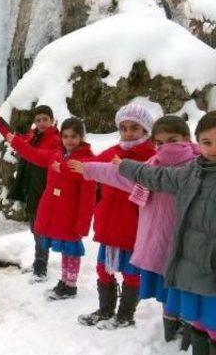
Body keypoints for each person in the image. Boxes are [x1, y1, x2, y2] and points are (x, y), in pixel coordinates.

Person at [116, 110, 216, 354]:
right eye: (207, 142)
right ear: (197, 142)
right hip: (189, 268)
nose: (214, 148)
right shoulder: (194, 170)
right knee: (197, 321)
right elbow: (159, 176)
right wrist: (125, 166)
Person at [69, 116, 199, 340]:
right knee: (110, 270)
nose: (166, 147)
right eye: (161, 143)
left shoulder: (193, 167)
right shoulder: (153, 164)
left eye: (173, 140)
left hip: (157, 235)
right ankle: (117, 313)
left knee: (171, 285)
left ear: (186, 139)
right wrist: (88, 168)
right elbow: (115, 174)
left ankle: (171, 327)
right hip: (123, 228)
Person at [77, 103, 156, 329]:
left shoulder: (151, 156)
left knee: (131, 273)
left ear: (145, 130)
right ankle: (105, 310)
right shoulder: (113, 151)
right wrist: (66, 163)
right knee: (103, 268)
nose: (128, 133)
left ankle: (125, 315)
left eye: (134, 128)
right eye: (123, 128)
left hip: (133, 226)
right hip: (109, 223)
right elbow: (88, 165)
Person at [3, 117, 96, 300]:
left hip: (71, 215)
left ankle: (70, 285)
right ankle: (64, 281)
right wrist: (14, 140)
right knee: (64, 251)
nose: (69, 140)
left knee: (72, 251)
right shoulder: (56, 155)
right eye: (66, 136)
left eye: (74, 136)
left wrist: (83, 223)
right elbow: (33, 154)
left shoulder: (85, 161)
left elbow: (88, 196)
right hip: (57, 213)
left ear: (81, 137)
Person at [0, 106, 60, 282]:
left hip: (44, 190)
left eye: (45, 119)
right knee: (35, 228)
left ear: (52, 120)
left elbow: (37, 155)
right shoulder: (33, 137)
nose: (41, 123)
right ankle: (39, 263)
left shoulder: (55, 139)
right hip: (32, 188)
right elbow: (13, 137)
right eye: (38, 120)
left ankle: (41, 268)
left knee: (41, 229)